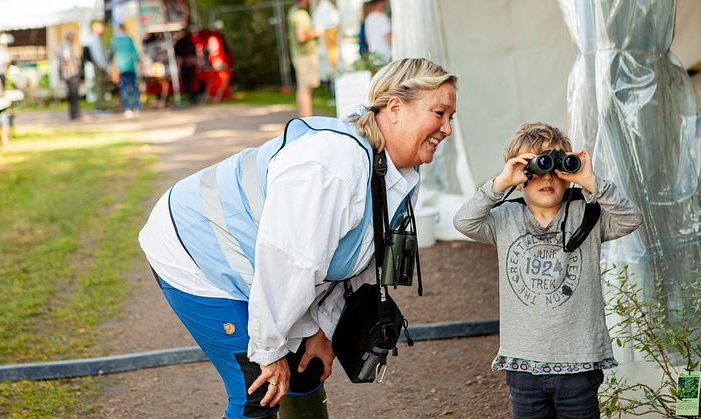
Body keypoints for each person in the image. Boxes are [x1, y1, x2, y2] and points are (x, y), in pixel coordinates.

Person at [138, 57, 457, 419]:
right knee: (259, 389)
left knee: (306, 370)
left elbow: (359, 263)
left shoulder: (402, 174)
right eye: (439, 113)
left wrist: (322, 330)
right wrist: (269, 349)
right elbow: (289, 261)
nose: (447, 128)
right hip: (194, 249)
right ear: (396, 108)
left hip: (263, 263)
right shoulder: (332, 166)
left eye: (451, 118)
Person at [453, 122, 644, 419]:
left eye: (555, 167)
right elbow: (464, 221)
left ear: (567, 176)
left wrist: (591, 181)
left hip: (579, 363)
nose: (546, 177)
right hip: (523, 365)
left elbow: (631, 218)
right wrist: (500, 183)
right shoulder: (505, 219)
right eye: (535, 168)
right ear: (520, 178)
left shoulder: (588, 215)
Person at [287, 0, 320, 117]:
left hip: (300, 55)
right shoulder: (300, 15)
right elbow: (301, 37)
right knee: (306, 89)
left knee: (303, 88)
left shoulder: (293, 11)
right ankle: (307, 119)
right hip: (305, 56)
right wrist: (316, 33)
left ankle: (304, 117)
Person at [110, 24, 140, 118]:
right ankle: (136, 107)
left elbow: (111, 53)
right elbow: (135, 53)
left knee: (124, 88)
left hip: (121, 67)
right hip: (131, 66)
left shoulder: (115, 40)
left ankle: (127, 108)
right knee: (134, 87)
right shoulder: (129, 39)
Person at [87, 21, 111, 111]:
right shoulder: (95, 40)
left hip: (100, 65)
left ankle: (101, 105)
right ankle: (100, 106)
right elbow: (98, 56)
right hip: (99, 66)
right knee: (100, 86)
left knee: (101, 86)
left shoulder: (96, 39)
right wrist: (104, 66)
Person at [58, 32, 82, 121]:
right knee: (73, 94)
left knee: (73, 94)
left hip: (69, 74)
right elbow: (67, 58)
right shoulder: (66, 45)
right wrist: (72, 68)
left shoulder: (65, 45)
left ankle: (75, 113)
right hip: (71, 74)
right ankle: (74, 114)